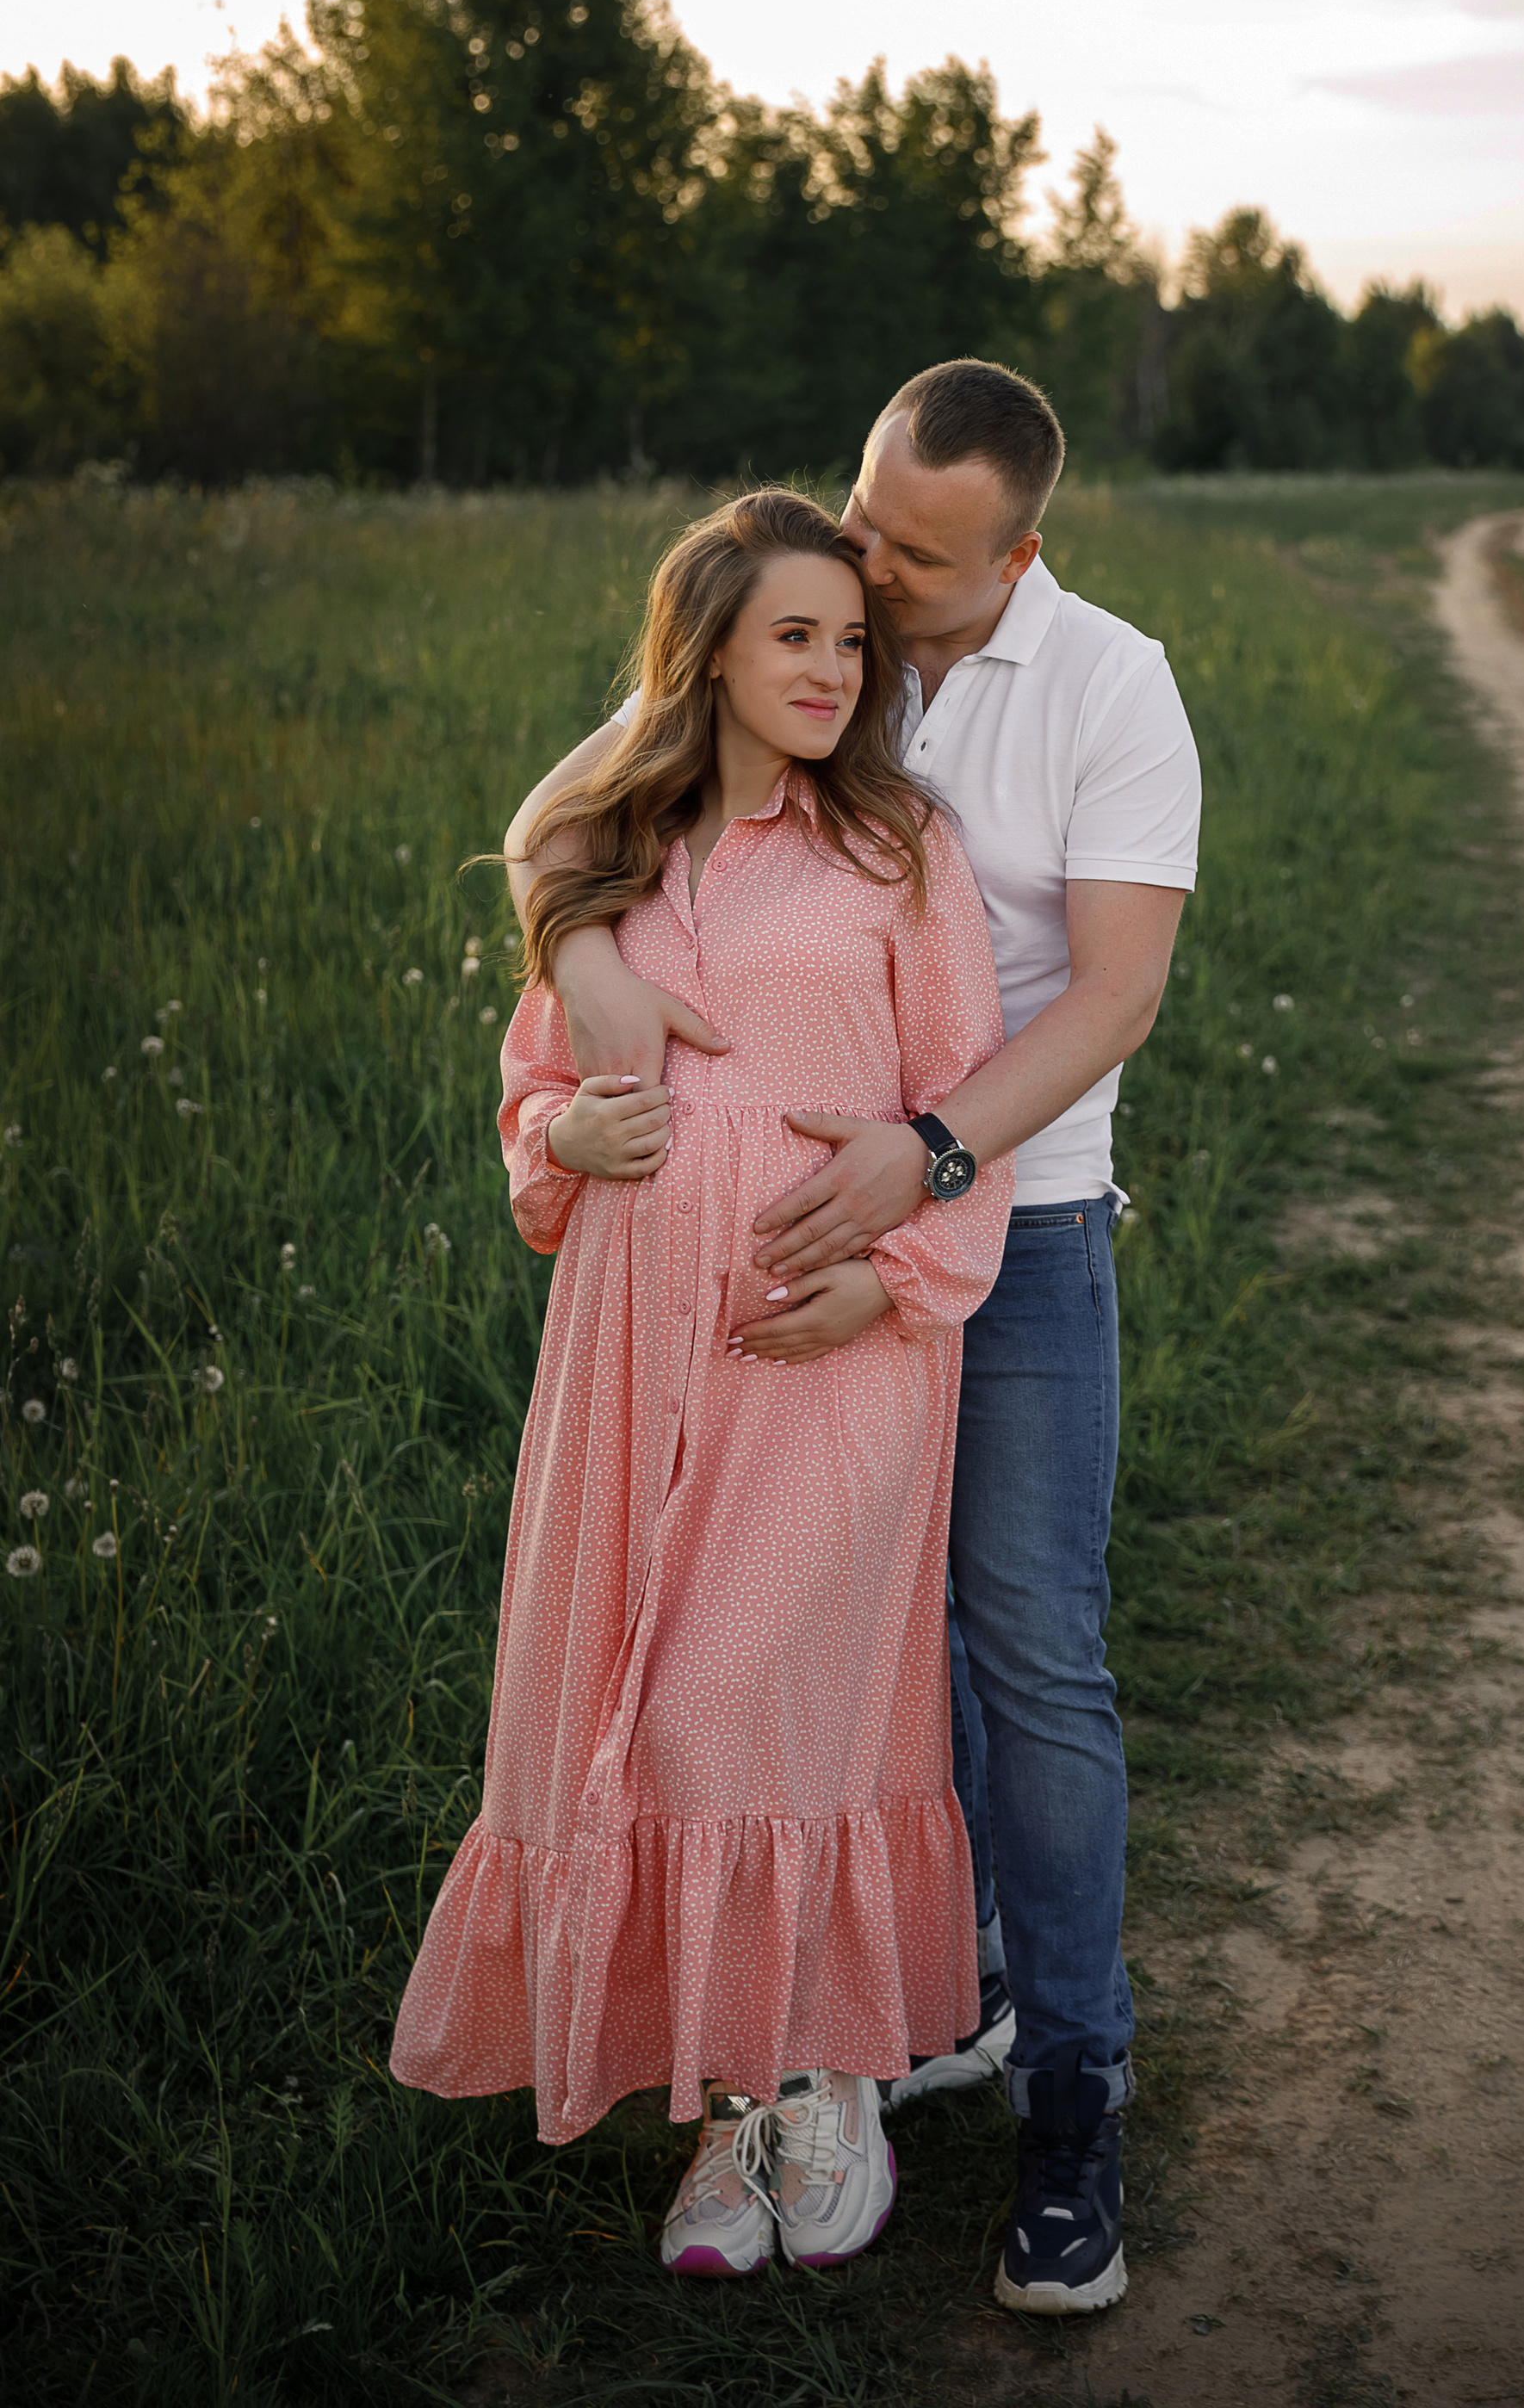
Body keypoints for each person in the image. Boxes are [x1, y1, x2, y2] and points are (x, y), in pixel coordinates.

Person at [505, 362, 1200, 2317]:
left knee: (1023, 1651)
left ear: (1017, 554)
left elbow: (1118, 992)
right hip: (764, 1254)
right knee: (840, 1652)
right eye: (860, 519)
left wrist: (925, 1160)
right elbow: (572, 812)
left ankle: (1073, 2086)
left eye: (912, 554)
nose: (873, 572)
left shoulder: (1105, 688)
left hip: (1018, 1212)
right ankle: (901, 2007)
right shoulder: (807, 625)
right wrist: (579, 976)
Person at [393, 490, 1013, 2283]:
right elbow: (530, 1088)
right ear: (711, 654)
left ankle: (824, 2089)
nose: (829, 667)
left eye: (847, 638)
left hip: (823, 1349)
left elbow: (955, 1102)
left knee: (748, 1709)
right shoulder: (613, 850)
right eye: (790, 636)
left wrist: (891, 1282)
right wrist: (564, 1127)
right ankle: (733, 2114)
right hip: (623, 1343)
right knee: (633, 1711)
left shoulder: (899, 854)